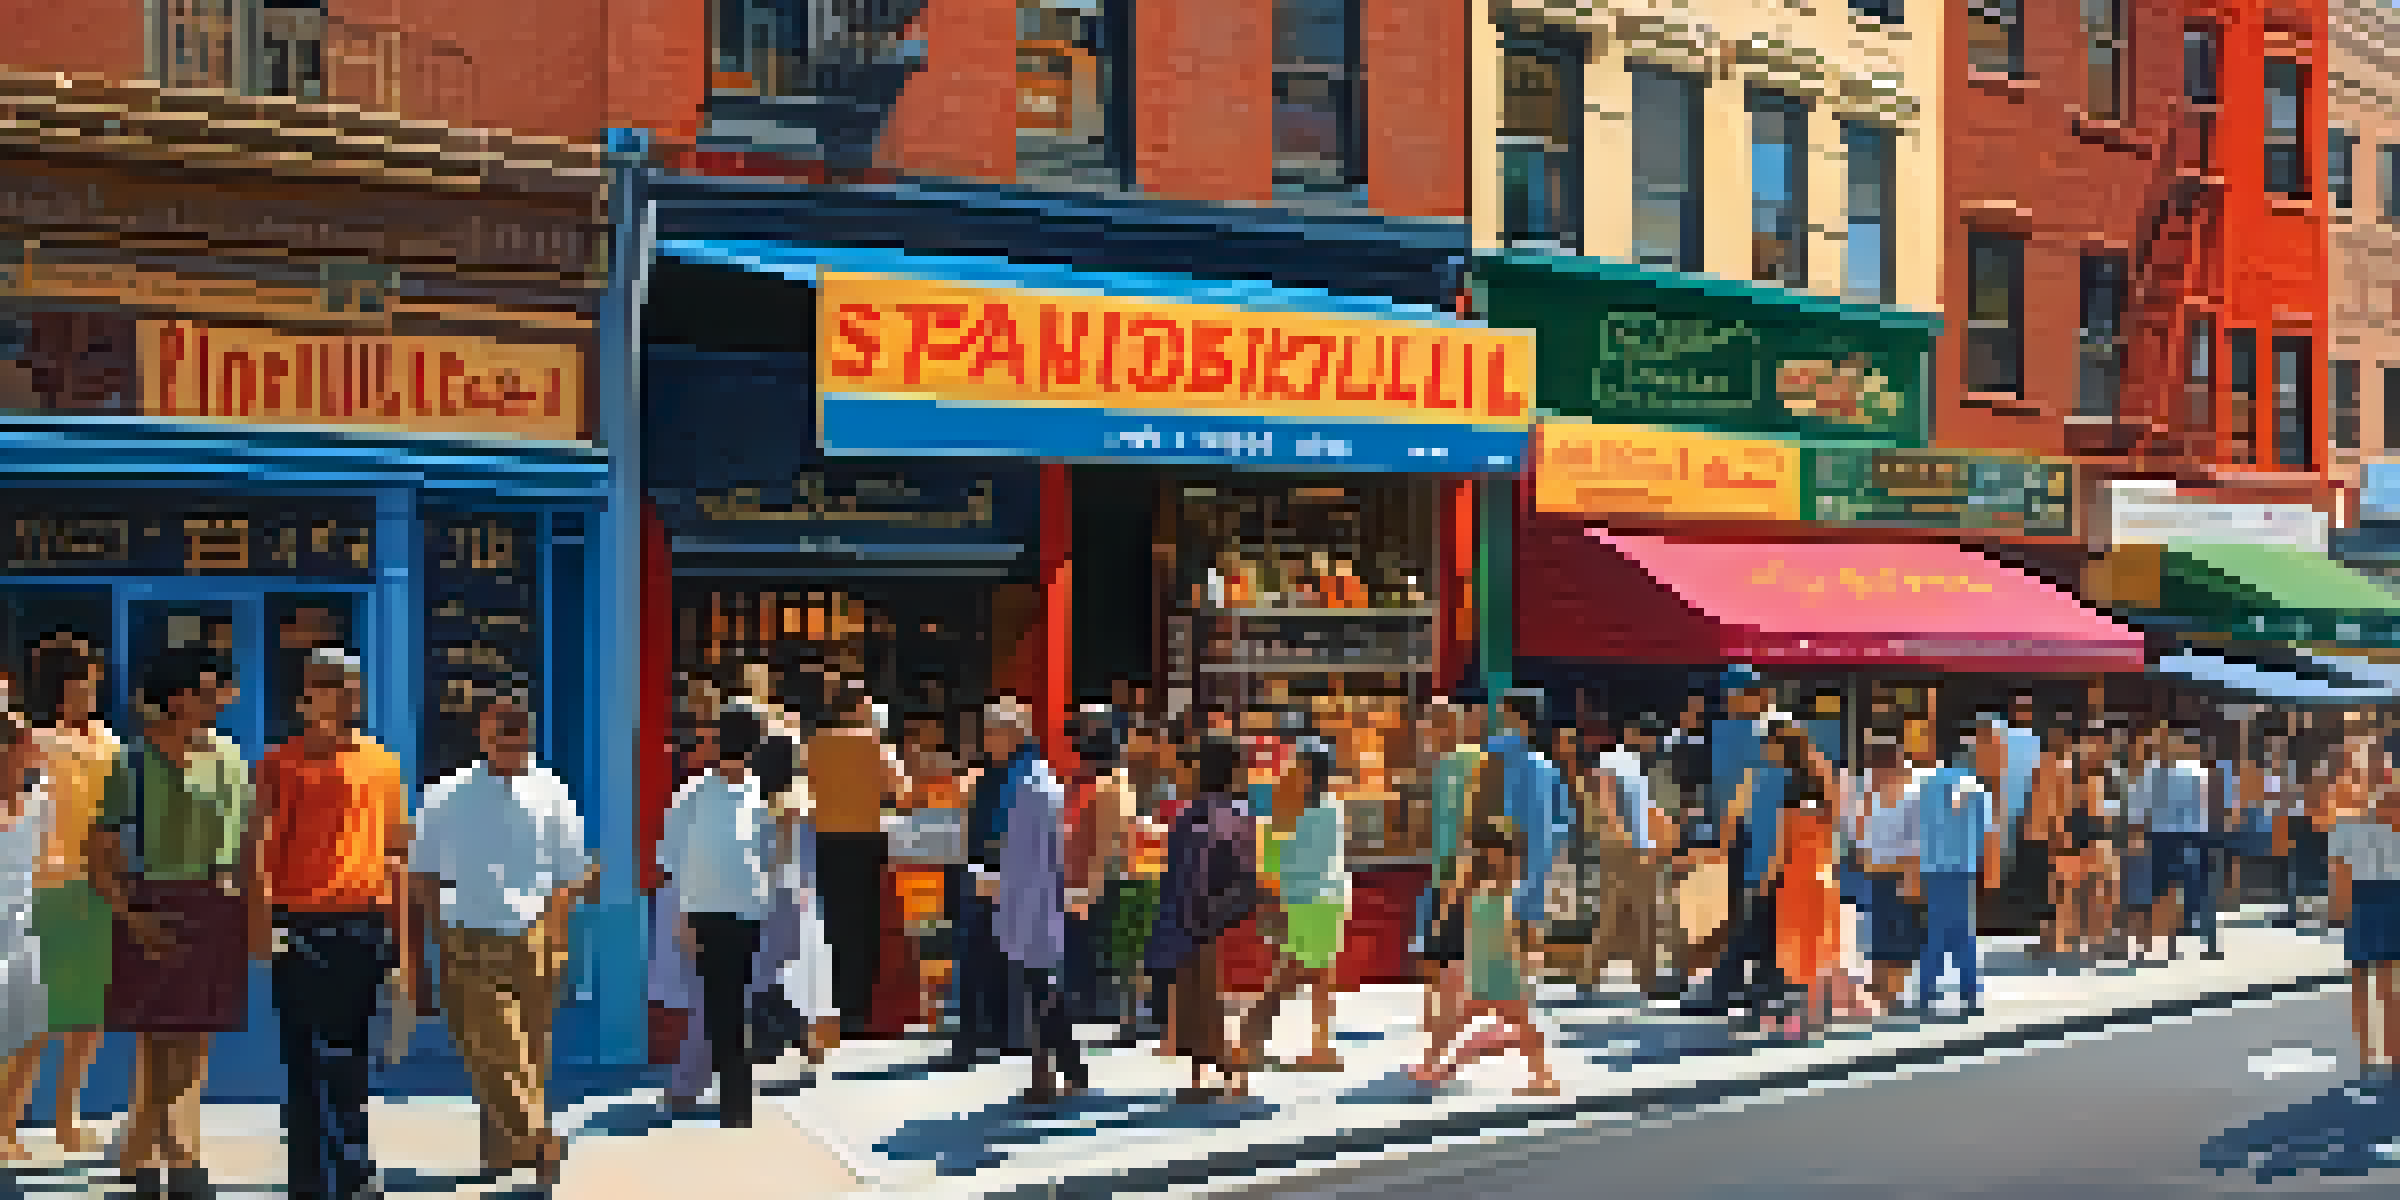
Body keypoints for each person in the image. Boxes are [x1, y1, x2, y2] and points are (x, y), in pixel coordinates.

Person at [409, 688, 596, 1186]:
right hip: (466, 937)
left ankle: (502, 1156)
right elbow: (422, 877)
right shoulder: (446, 795)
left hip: (534, 937)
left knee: (527, 1055)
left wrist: (555, 934)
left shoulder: (552, 791)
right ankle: (537, 1137)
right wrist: (426, 951)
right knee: (496, 1049)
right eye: (501, 725)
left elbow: (572, 874)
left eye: (519, 724)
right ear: (482, 732)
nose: (512, 734)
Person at [92, 648, 255, 1200]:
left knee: (193, 1036)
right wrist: (129, 916)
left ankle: (142, 1158)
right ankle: (181, 1159)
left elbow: (247, 844)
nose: (219, 699)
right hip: (149, 900)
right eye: (208, 689)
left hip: (215, 904)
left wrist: (253, 914)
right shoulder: (131, 762)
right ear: (177, 698)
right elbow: (102, 848)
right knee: (159, 1035)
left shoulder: (231, 760)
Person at [253, 648, 413, 1200]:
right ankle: (314, 1179)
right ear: (305, 694)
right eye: (328, 684)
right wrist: (263, 926)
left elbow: (396, 856)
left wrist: (403, 948)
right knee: (307, 1056)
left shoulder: (384, 764)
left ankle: (352, 1170)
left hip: (363, 924)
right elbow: (261, 851)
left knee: (351, 1057)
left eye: (350, 684)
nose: (342, 694)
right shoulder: (281, 764)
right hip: (300, 925)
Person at [0, 638, 118, 1157]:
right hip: (41, 889)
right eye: (78, 682)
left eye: (91, 682)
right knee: (33, 1016)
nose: (87, 691)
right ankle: (6, 1124)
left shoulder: (111, 743)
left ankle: (67, 1119)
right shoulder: (32, 742)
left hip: (94, 888)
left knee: (86, 1012)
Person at [658, 706, 775, 1127]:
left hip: (746, 914)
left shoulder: (756, 795)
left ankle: (731, 1100)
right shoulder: (691, 796)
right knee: (718, 1005)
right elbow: (671, 860)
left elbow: (765, 853)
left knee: (730, 1004)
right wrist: (681, 917)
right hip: (702, 913)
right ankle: (729, 1099)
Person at [984, 696, 1089, 1105]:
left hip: (1030, 896)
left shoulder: (1027, 783)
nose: (986, 740)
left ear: (1012, 733)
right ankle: (1047, 1073)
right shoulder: (1027, 776)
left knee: (1041, 990)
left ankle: (1064, 1070)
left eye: (992, 731)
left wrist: (999, 882)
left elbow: (1028, 851)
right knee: (1038, 989)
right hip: (1029, 895)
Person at [1408, 827, 1561, 1097]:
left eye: (1497, 853)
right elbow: (1451, 910)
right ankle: (1430, 1065)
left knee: (1523, 1026)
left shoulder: (1513, 892)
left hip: (1505, 972)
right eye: (1485, 853)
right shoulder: (1473, 888)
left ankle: (1543, 1078)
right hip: (1480, 972)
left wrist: (1529, 960)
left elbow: (1525, 932)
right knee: (1455, 1021)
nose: (1489, 859)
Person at [1146, 737, 1258, 1103]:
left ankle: (1209, 1076)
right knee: (1215, 1000)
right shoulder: (1238, 813)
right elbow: (1243, 870)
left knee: (1197, 1000)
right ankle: (1225, 1075)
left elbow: (1178, 873)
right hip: (1225, 918)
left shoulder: (1188, 815)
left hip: (1189, 919)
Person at [1236, 736, 1349, 1078]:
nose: (1289, 770)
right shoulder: (1330, 806)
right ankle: (1320, 1047)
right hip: (1328, 900)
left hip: (1305, 901)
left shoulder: (1295, 808)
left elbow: (1276, 858)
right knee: (1315, 977)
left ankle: (1251, 1044)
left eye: (1296, 765)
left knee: (1290, 977)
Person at [804, 687, 908, 1040]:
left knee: (830, 922)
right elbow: (903, 792)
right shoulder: (876, 745)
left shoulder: (813, 745)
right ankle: (856, 1009)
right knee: (864, 926)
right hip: (866, 840)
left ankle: (828, 1004)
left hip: (824, 840)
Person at [1909, 720, 2004, 1019]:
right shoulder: (1977, 787)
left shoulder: (1923, 786)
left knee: (1935, 929)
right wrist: (1991, 874)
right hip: (1963, 868)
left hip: (1932, 868)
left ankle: (1926, 991)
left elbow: (1914, 832)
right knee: (1964, 930)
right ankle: (1970, 992)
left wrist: (1913, 872)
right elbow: (1989, 834)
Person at [1766, 723, 1844, 1038]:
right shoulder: (1824, 775)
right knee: (1818, 944)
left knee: (1795, 947)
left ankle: (1801, 1017)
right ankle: (1815, 1014)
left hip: (1796, 874)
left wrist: (1770, 875)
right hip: (1822, 871)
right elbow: (1835, 826)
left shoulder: (1784, 783)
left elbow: (1783, 840)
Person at [2331, 750, 2400, 1088]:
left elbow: (2338, 875)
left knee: (2368, 982)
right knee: (2386, 983)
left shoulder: (2346, 824)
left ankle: (2370, 1057)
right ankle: (2388, 1055)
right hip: (2383, 900)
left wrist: (2339, 913)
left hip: (2366, 902)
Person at [0, 690, 52, 1114]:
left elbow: (44, 861)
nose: (33, 748)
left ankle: (6, 1124)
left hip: (23, 933)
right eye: (22, 741)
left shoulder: (40, 799)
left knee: (33, 1032)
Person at [2138, 726, 2222, 961]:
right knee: (2184, 891)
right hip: (2179, 835)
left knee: (2173, 891)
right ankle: (2193, 944)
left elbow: (2140, 810)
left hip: (2176, 836)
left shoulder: (2157, 772)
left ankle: (2191, 944)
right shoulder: (2160, 772)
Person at [1851, 731, 1921, 1014]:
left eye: (1875, 765)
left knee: (1899, 937)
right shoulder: (1871, 795)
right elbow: (1860, 835)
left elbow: (1917, 841)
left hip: (1900, 875)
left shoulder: (1912, 795)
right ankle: (1881, 991)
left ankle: (1892, 994)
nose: (1871, 772)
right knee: (1879, 935)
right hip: (1876, 876)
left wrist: (1912, 879)